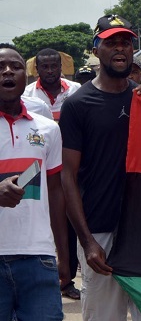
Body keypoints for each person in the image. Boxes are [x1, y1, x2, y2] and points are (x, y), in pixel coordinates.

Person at [58, 14, 141, 321]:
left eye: (126, 42)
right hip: (100, 231)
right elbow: (67, 176)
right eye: (111, 42)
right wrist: (87, 240)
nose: (120, 48)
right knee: (104, 317)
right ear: (96, 50)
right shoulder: (78, 105)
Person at [0, 44, 69, 320]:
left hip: (38, 258)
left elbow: (56, 193)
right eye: (0, 67)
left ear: (24, 76)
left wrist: (63, 256)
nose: (7, 71)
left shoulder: (49, 129)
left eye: (15, 66)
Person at [23, 48, 81, 121]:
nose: (50, 71)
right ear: (37, 69)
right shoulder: (26, 94)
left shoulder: (76, 89)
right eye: (45, 67)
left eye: (54, 66)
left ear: (60, 67)